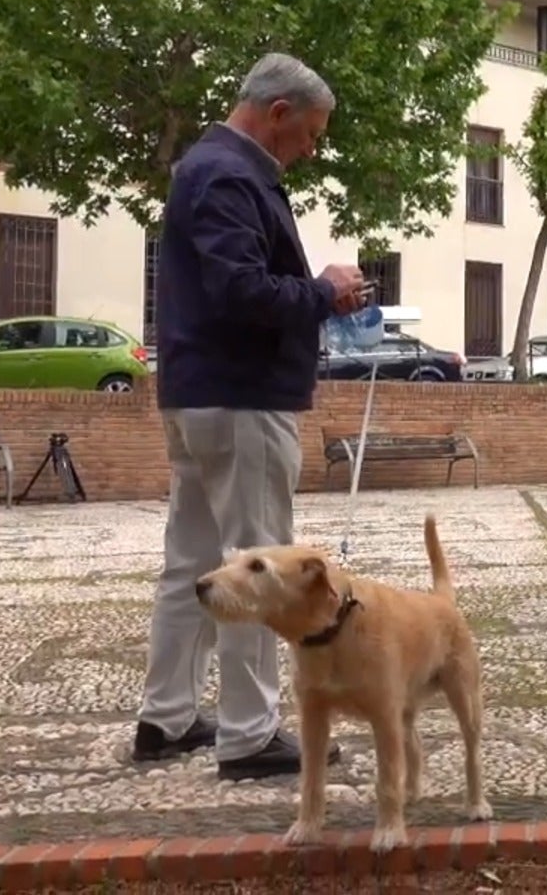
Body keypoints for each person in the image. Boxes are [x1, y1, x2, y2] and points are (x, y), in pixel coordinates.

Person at [133, 53, 367, 781]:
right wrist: (323, 291)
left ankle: (166, 718)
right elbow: (244, 293)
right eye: (310, 134)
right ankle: (248, 733)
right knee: (260, 566)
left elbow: (229, 285)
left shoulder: (201, 170)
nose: (311, 149)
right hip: (242, 399)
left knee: (191, 567)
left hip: (196, 393)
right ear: (278, 113)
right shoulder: (234, 176)